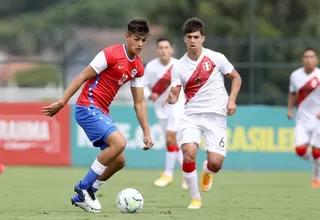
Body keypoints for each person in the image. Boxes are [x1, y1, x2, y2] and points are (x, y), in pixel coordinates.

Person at [41, 18, 154, 212]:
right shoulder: (110, 54)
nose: (140, 44)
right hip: (87, 106)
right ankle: (83, 187)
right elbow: (82, 76)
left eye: (144, 40)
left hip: (102, 110)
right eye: (137, 39)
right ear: (127, 37)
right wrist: (62, 102)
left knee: (119, 161)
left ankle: (85, 194)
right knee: (119, 143)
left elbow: (139, 102)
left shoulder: (138, 67)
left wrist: (147, 132)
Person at [163, 17, 242, 209]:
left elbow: (236, 77)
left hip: (216, 116)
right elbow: (175, 93)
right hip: (192, 117)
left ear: (202, 38)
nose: (192, 40)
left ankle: (208, 172)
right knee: (188, 154)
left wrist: (231, 99)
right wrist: (171, 98)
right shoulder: (179, 66)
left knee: (216, 163)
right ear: (184, 39)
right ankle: (195, 198)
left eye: (196, 37)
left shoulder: (216, 58)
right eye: (189, 36)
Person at [144, 38, 187, 189]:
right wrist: (150, 95)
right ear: (157, 50)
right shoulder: (150, 67)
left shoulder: (178, 65)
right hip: (160, 109)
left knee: (171, 138)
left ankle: (168, 174)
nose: (163, 50)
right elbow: (143, 87)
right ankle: (188, 174)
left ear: (171, 50)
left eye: (166, 47)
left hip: (177, 106)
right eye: (160, 47)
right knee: (172, 143)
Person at [287, 48, 320, 188]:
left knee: (317, 151)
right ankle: (317, 162)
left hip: (318, 119)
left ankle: (316, 179)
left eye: (311, 57)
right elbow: (292, 93)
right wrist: (289, 108)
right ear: (302, 59)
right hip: (302, 118)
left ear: (316, 60)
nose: (308, 59)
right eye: (306, 57)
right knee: (300, 150)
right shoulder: (295, 75)